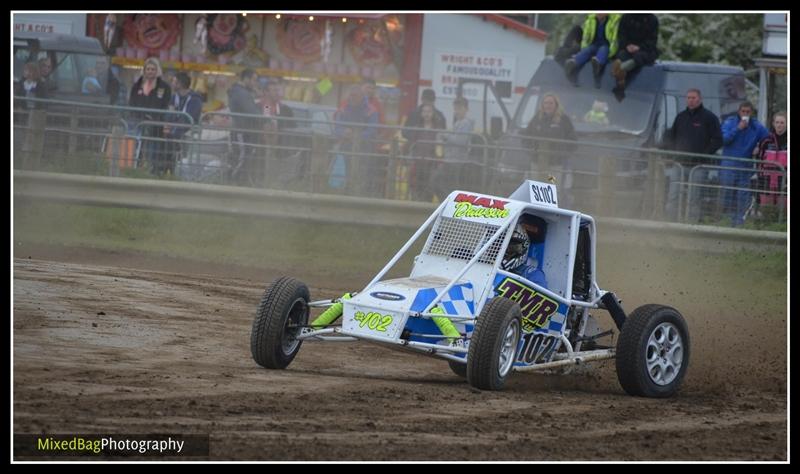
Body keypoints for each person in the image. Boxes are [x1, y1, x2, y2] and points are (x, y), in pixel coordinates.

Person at [660, 88, 723, 222]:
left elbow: (718, 140)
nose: (691, 100)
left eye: (693, 98)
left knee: (695, 198)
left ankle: (692, 225)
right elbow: (671, 136)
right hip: (679, 164)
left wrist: (704, 155)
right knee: (673, 195)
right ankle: (669, 224)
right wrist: (668, 151)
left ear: (700, 99)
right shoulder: (680, 117)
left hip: (698, 166)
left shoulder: (709, 118)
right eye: (688, 97)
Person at [719, 101, 770, 226]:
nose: (745, 114)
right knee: (727, 192)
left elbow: (769, 139)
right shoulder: (730, 122)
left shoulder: (756, 126)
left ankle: (740, 222)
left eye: (748, 112)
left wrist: (760, 147)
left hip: (745, 165)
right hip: (729, 164)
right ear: (739, 111)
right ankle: (727, 220)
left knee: (743, 194)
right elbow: (723, 139)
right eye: (743, 111)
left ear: (751, 113)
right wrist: (737, 128)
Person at [521, 93, 576, 203]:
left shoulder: (563, 120)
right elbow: (526, 136)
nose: (548, 105)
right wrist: (530, 150)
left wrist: (563, 153)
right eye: (546, 103)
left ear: (556, 105)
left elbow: (573, 140)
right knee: (535, 187)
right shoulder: (537, 118)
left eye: (551, 103)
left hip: (555, 165)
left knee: (552, 185)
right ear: (542, 105)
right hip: (537, 163)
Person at [332, 85, 381, 194]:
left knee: (364, 175)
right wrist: (343, 132)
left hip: (365, 149)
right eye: (350, 96)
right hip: (346, 147)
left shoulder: (371, 110)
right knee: (346, 174)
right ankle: (345, 195)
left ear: (362, 96)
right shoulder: (344, 108)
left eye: (355, 96)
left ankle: (363, 197)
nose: (352, 98)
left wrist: (356, 135)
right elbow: (337, 128)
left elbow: (372, 131)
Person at [128, 57, 173, 175]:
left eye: (153, 69)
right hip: (138, 123)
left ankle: (152, 172)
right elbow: (131, 102)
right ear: (144, 70)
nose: (150, 71)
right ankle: (134, 171)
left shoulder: (164, 87)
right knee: (136, 149)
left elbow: (165, 105)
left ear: (157, 71)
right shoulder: (137, 85)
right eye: (148, 69)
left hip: (155, 125)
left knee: (153, 150)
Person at [430, 96, 475, 201]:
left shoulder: (466, 123)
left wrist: (445, 136)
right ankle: (448, 201)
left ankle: (448, 202)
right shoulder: (459, 122)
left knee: (438, 181)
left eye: (460, 109)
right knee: (444, 183)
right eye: (456, 109)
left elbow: (461, 141)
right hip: (451, 159)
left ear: (466, 109)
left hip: (456, 160)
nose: (457, 111)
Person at [226, 68, 263, 185]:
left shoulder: (240, 92)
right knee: (243, 158)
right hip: (243, 131)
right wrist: (267, 117)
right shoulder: (242, 94)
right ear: (246, 79)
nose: (255, 84)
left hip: (242, 130)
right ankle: (232, 181)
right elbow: (253, 112)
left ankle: (240, 182)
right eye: (254, 80)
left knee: (243, 158)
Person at [165, 72, 204, 177]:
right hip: (172, 135)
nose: (172, 84)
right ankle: (169, 174)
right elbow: (169, 115)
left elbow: (189, 119)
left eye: (173, 81)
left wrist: (175, 127)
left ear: (179, 84)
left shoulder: (195, 99)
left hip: (187, 137)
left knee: (183, 161)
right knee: (169, 158)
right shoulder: (174, 97)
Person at [564, 13, 621, 84]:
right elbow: (585, 37)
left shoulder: (613, 21)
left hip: (606, 45)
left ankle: (597, 63)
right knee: (587, 50)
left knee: (603, 50)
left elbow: (614, 40)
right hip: (594, 44)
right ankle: (573, 62)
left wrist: (611, 53)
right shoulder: (591, 20)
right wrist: (584, 49)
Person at [610, 14, 659, 92]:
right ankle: (620, 77)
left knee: (639, 57)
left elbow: (652, 40)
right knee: (621, 55)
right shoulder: (626, 17)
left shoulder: (652, 19)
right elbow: (621, 35)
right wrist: (627, 45)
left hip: (645, 50)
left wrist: (639, 47)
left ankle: (623, 68)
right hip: (627, 48)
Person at [751, 111, 787, 215]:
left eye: (782, 122)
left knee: (783, 206)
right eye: (777, 122)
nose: (779, 125)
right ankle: (766, 222)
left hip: (785, 178)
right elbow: (760, 159)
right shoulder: (766, 140)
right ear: (773, 123)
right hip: (767, 178)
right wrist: (760, 174)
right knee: (766, 204)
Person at [501, 214, 548, 288]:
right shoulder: (485, 265)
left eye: (513, 243)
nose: (506, 248)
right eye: (501, 241)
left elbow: (541, 298)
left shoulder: (532, 274)